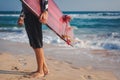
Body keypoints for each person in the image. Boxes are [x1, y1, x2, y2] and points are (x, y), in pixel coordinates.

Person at [17, 0, 49, 78]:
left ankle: (40, 71)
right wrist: (22, 16)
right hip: (27, 15)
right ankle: (44, 68)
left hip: (34, 14)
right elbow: (26, 3)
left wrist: (45, 11)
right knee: (33, 43)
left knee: (37, 43)